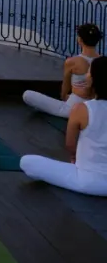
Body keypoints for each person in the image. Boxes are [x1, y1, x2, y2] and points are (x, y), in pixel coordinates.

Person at [20, 56, 107, 196]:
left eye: (89, 72)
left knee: (27, 162)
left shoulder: (81, 109)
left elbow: (70, 145)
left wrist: (74, 158)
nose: (86, 75)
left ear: (93, 79)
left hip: (88, 181)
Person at [23, 24, 102, 118]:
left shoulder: (72, 62)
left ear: (80, 40)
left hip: (73, 109)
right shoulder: (104, 62)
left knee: (27, 95)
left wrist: (64, 96)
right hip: (96, 109)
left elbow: (65, 87)